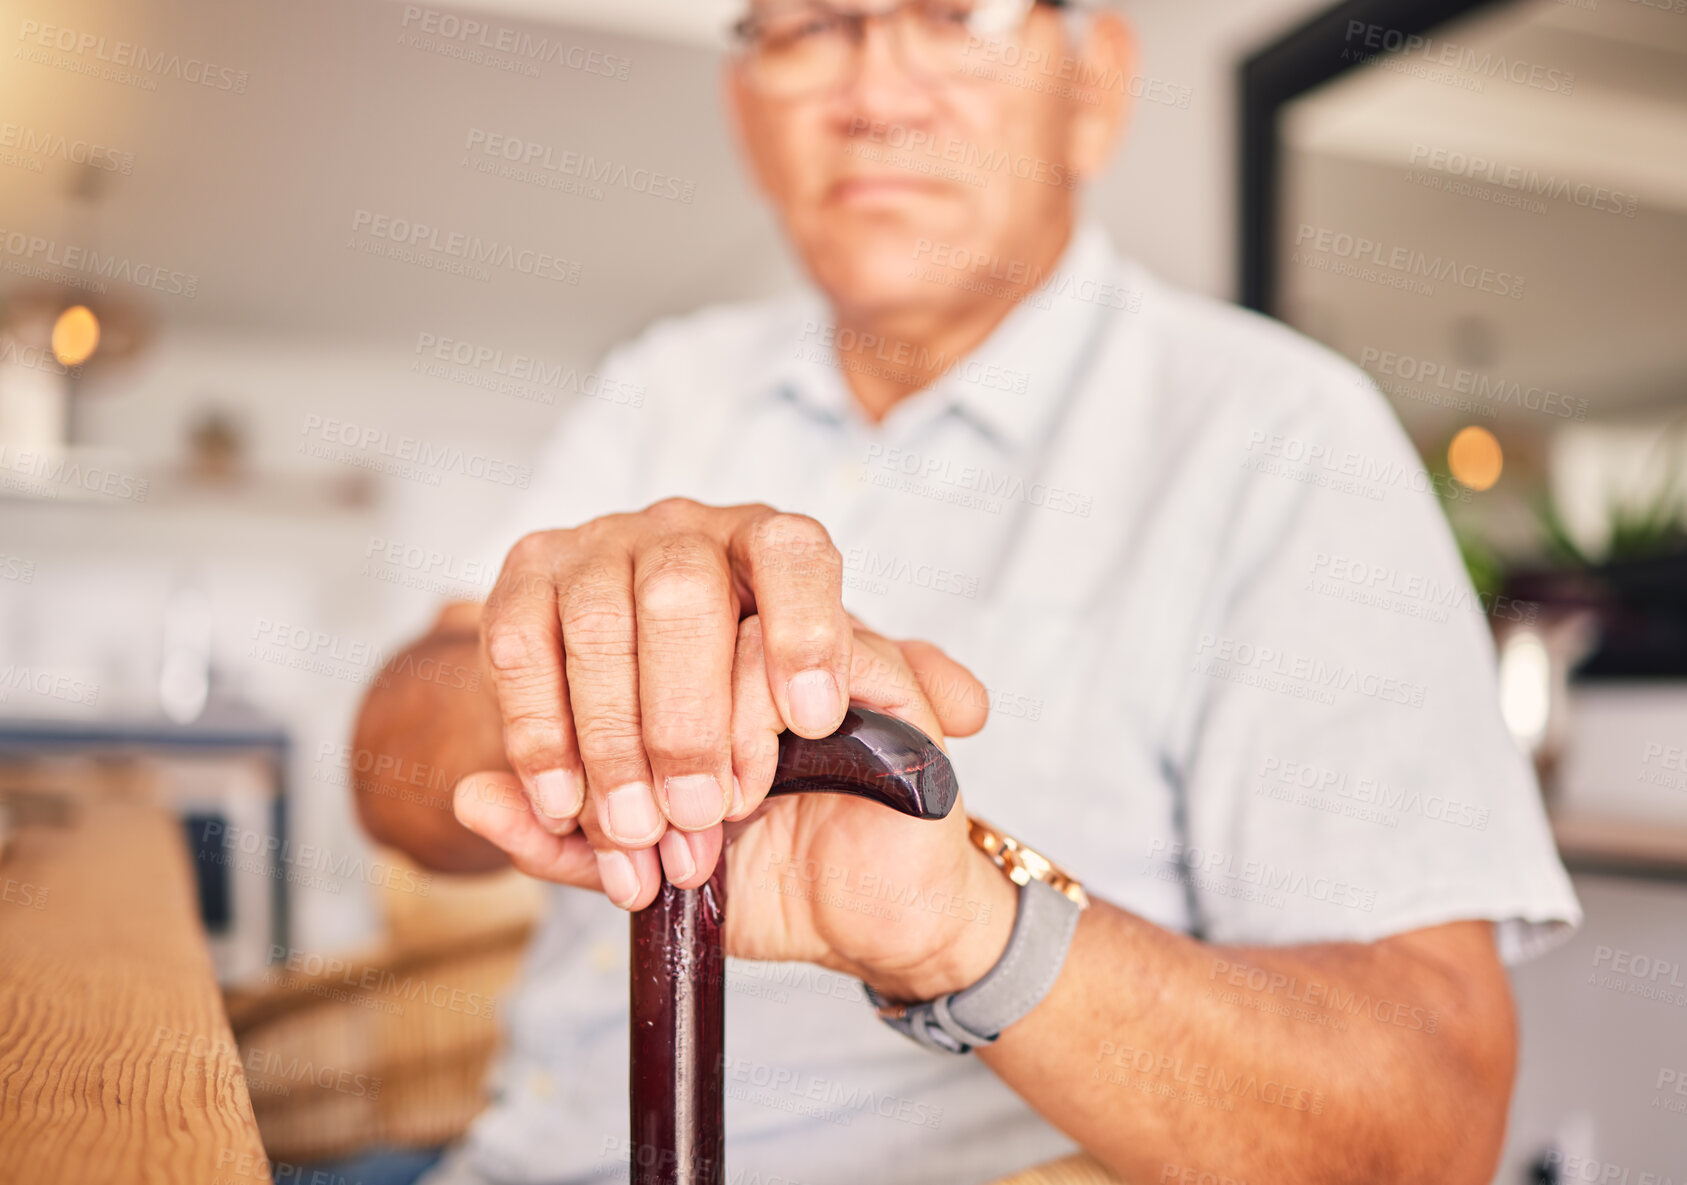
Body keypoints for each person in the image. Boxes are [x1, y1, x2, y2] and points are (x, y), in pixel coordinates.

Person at [352, 2, 1580, 1182]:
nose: (875, 94)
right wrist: (568, 678)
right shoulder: (663, 385)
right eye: (810, 26)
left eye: (955, 13)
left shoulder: (1277, 437)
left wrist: (971, 928)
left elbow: (1434, 1125)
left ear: (1093, 86)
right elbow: (392, 778)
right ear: (745, 105)